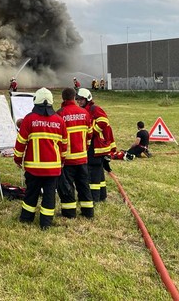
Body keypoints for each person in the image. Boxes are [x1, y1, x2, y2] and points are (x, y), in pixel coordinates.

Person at [14, 87, 67, 229]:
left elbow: (21, 143)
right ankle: (46, 223)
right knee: (49, 196)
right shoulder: (59, 121)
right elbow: (64, 145)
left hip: (33, 168)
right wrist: (62, 162)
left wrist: (17, 159)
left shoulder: (29, 119)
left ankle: (26, 218)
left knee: (31, 193)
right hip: (53, 169)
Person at [56, 87, 94, 218]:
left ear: (63, 98)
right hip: (82, 157)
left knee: (67, 187)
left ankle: (69, 213)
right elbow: (90, 134)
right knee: (84, 185)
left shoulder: (60, 114)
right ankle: (88, 211)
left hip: (67, 159)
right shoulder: (84, 113)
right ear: (74, 98)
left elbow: (58, 138)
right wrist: (85, 149)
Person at [76, 88, 117, 203]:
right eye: (78, 99)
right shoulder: (87, 109)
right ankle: (102, 195)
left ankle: (93, 198)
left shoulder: (94, 109)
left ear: (87, 99)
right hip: (98, 146)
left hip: (96, 145)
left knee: (92, 170)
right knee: (98, 171)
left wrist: (92, 131)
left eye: (81, 100)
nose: (79, 102)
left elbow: (103, 121)